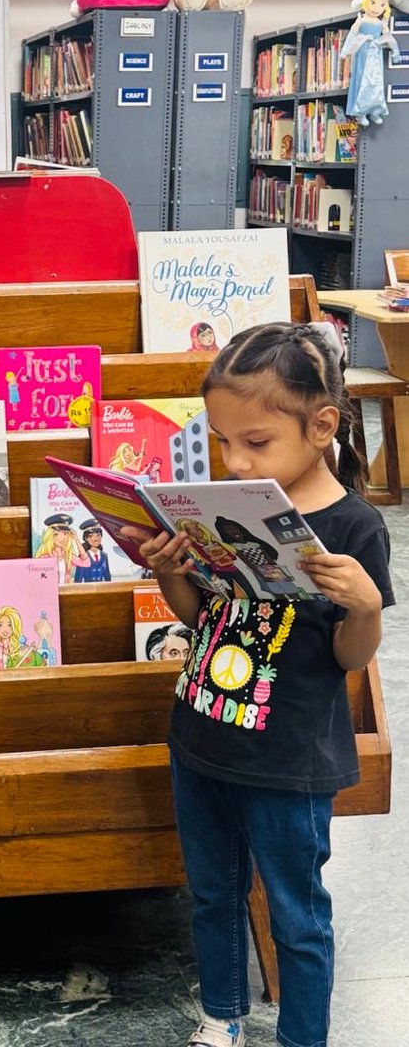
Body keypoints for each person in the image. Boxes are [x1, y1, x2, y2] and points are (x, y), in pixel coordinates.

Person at [135, 321, 393, 1047]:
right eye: (222, 441)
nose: (236, 460)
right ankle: (222, 1016)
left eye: (255, 442)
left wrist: (365, 606)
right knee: (212, 895)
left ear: (322, 426)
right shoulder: (228, 502)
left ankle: (302, 1037)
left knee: (296, 915)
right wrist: (169, 571)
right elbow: (202, 616)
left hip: (288, 758)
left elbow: (348, 658)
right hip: (202, 731)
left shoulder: (354, 527)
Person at [342, 0, 402, 126]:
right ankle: (360, 111)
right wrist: (345, 51)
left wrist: (396, 52)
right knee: (362, 81)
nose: (377, 8)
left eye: (382, 4)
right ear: (366, 2)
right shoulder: (361, 21)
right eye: (373, 2)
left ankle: (375, 110)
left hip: (375, 52)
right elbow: (352, 34)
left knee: (376, 82)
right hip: (363, 52)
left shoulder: (381, 24)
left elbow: (388, 38)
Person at [35, 513, 88, 584]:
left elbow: (86, 563)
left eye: (65, 534)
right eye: (56, 534)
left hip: (67, 590)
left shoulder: (68, 556)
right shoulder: (45, 557)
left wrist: (76, 538)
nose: (63, 538)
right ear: (50, 536)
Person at [73, 519, 111, 583]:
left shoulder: (104, 555)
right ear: (86, 538)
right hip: (88, 588)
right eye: (91, 536)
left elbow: (107, 576)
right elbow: (78, 578)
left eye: (98, 535)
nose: (96, 539)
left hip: (102, 588)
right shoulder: (83, 556)